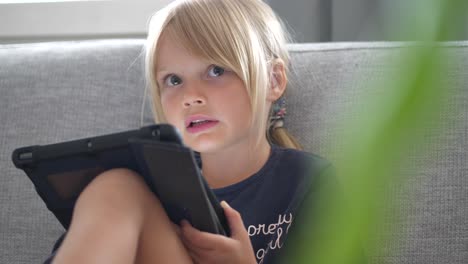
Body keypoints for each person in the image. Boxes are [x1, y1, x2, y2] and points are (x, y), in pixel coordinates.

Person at [46, 0, 334, 263]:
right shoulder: (145, 185)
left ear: (273, 80)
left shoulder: (307, 183)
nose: (190, 96)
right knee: (116, 185)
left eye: (216, 71)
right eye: (173, 80)